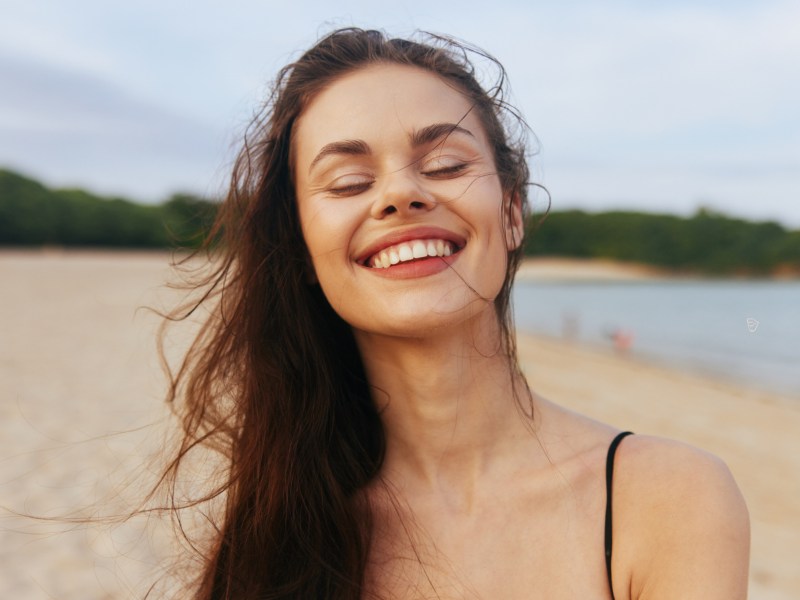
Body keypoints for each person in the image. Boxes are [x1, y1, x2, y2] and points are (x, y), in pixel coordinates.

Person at [160, 28, 749, 599]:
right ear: (303, 251)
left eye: (444, 166)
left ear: (512, 213)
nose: (400, 194)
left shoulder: (668, 497)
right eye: (348, 182)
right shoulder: (277, 533)